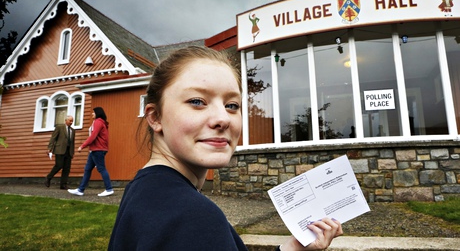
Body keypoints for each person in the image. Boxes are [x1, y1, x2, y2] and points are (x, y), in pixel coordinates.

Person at [108, 46, 343, 250]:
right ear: (155, 117)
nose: (223, 119)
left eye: (232, 105)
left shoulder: (149, 192)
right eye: (197, 101)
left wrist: (293, 248)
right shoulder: (192, 216)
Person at [68, 107, 114, 197]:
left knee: (101, 168)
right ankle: (80, 190)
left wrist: (82, 146)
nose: (92, 114)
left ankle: (109, 189)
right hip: (95, 150)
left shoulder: (98, 122)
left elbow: (93, 136)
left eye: (93, 112)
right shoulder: (100, 122)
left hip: (98, 149)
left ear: (97, 113)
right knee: (88, 169)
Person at [45, 115, 75, 190]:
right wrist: (49, 148)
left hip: (68, 151)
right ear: (66, 120)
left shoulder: (73, 130)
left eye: (72, 121)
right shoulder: (59, 127)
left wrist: (72, 152)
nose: (71, 122)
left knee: (67, 168)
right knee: (59, 165)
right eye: (70, 121)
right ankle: (48, 178)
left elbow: (72, 142)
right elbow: (53, 138)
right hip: (60, 150)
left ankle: (63, 184)